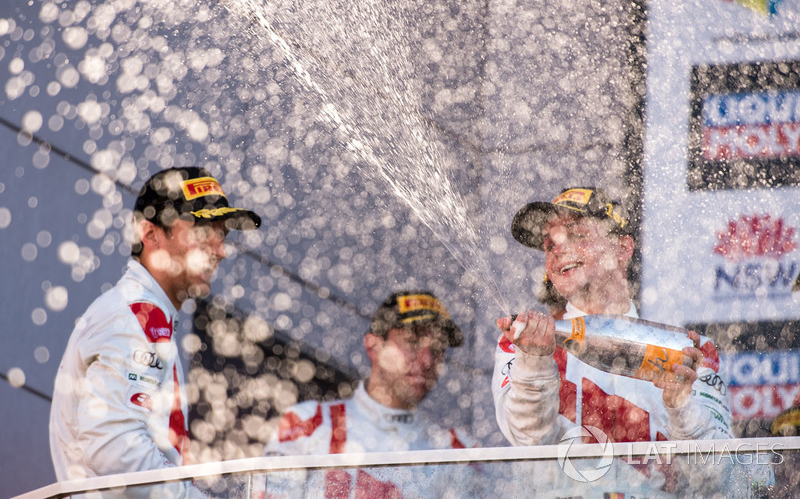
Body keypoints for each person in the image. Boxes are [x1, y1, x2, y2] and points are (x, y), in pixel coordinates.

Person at [492, 186, 733, 495]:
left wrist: (680, 408)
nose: (557, 251)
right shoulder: (524, 344)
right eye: (549, 245)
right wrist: (535, 363)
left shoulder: (689, 349)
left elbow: (716, 480)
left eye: (577, 234)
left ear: (622, 249)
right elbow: (528, 436)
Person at [49, 167, 261, 497]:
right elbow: (115, 449)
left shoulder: (143, 314)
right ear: (150, 235)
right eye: (204, 230)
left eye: (224, 235)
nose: (220, 250)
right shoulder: (137, 315)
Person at [257, 291, 477, 498]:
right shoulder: (307, 423)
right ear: (374, 347)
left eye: (438, 349)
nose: (427, 360)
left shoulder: (457, 449)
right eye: (413, 341)